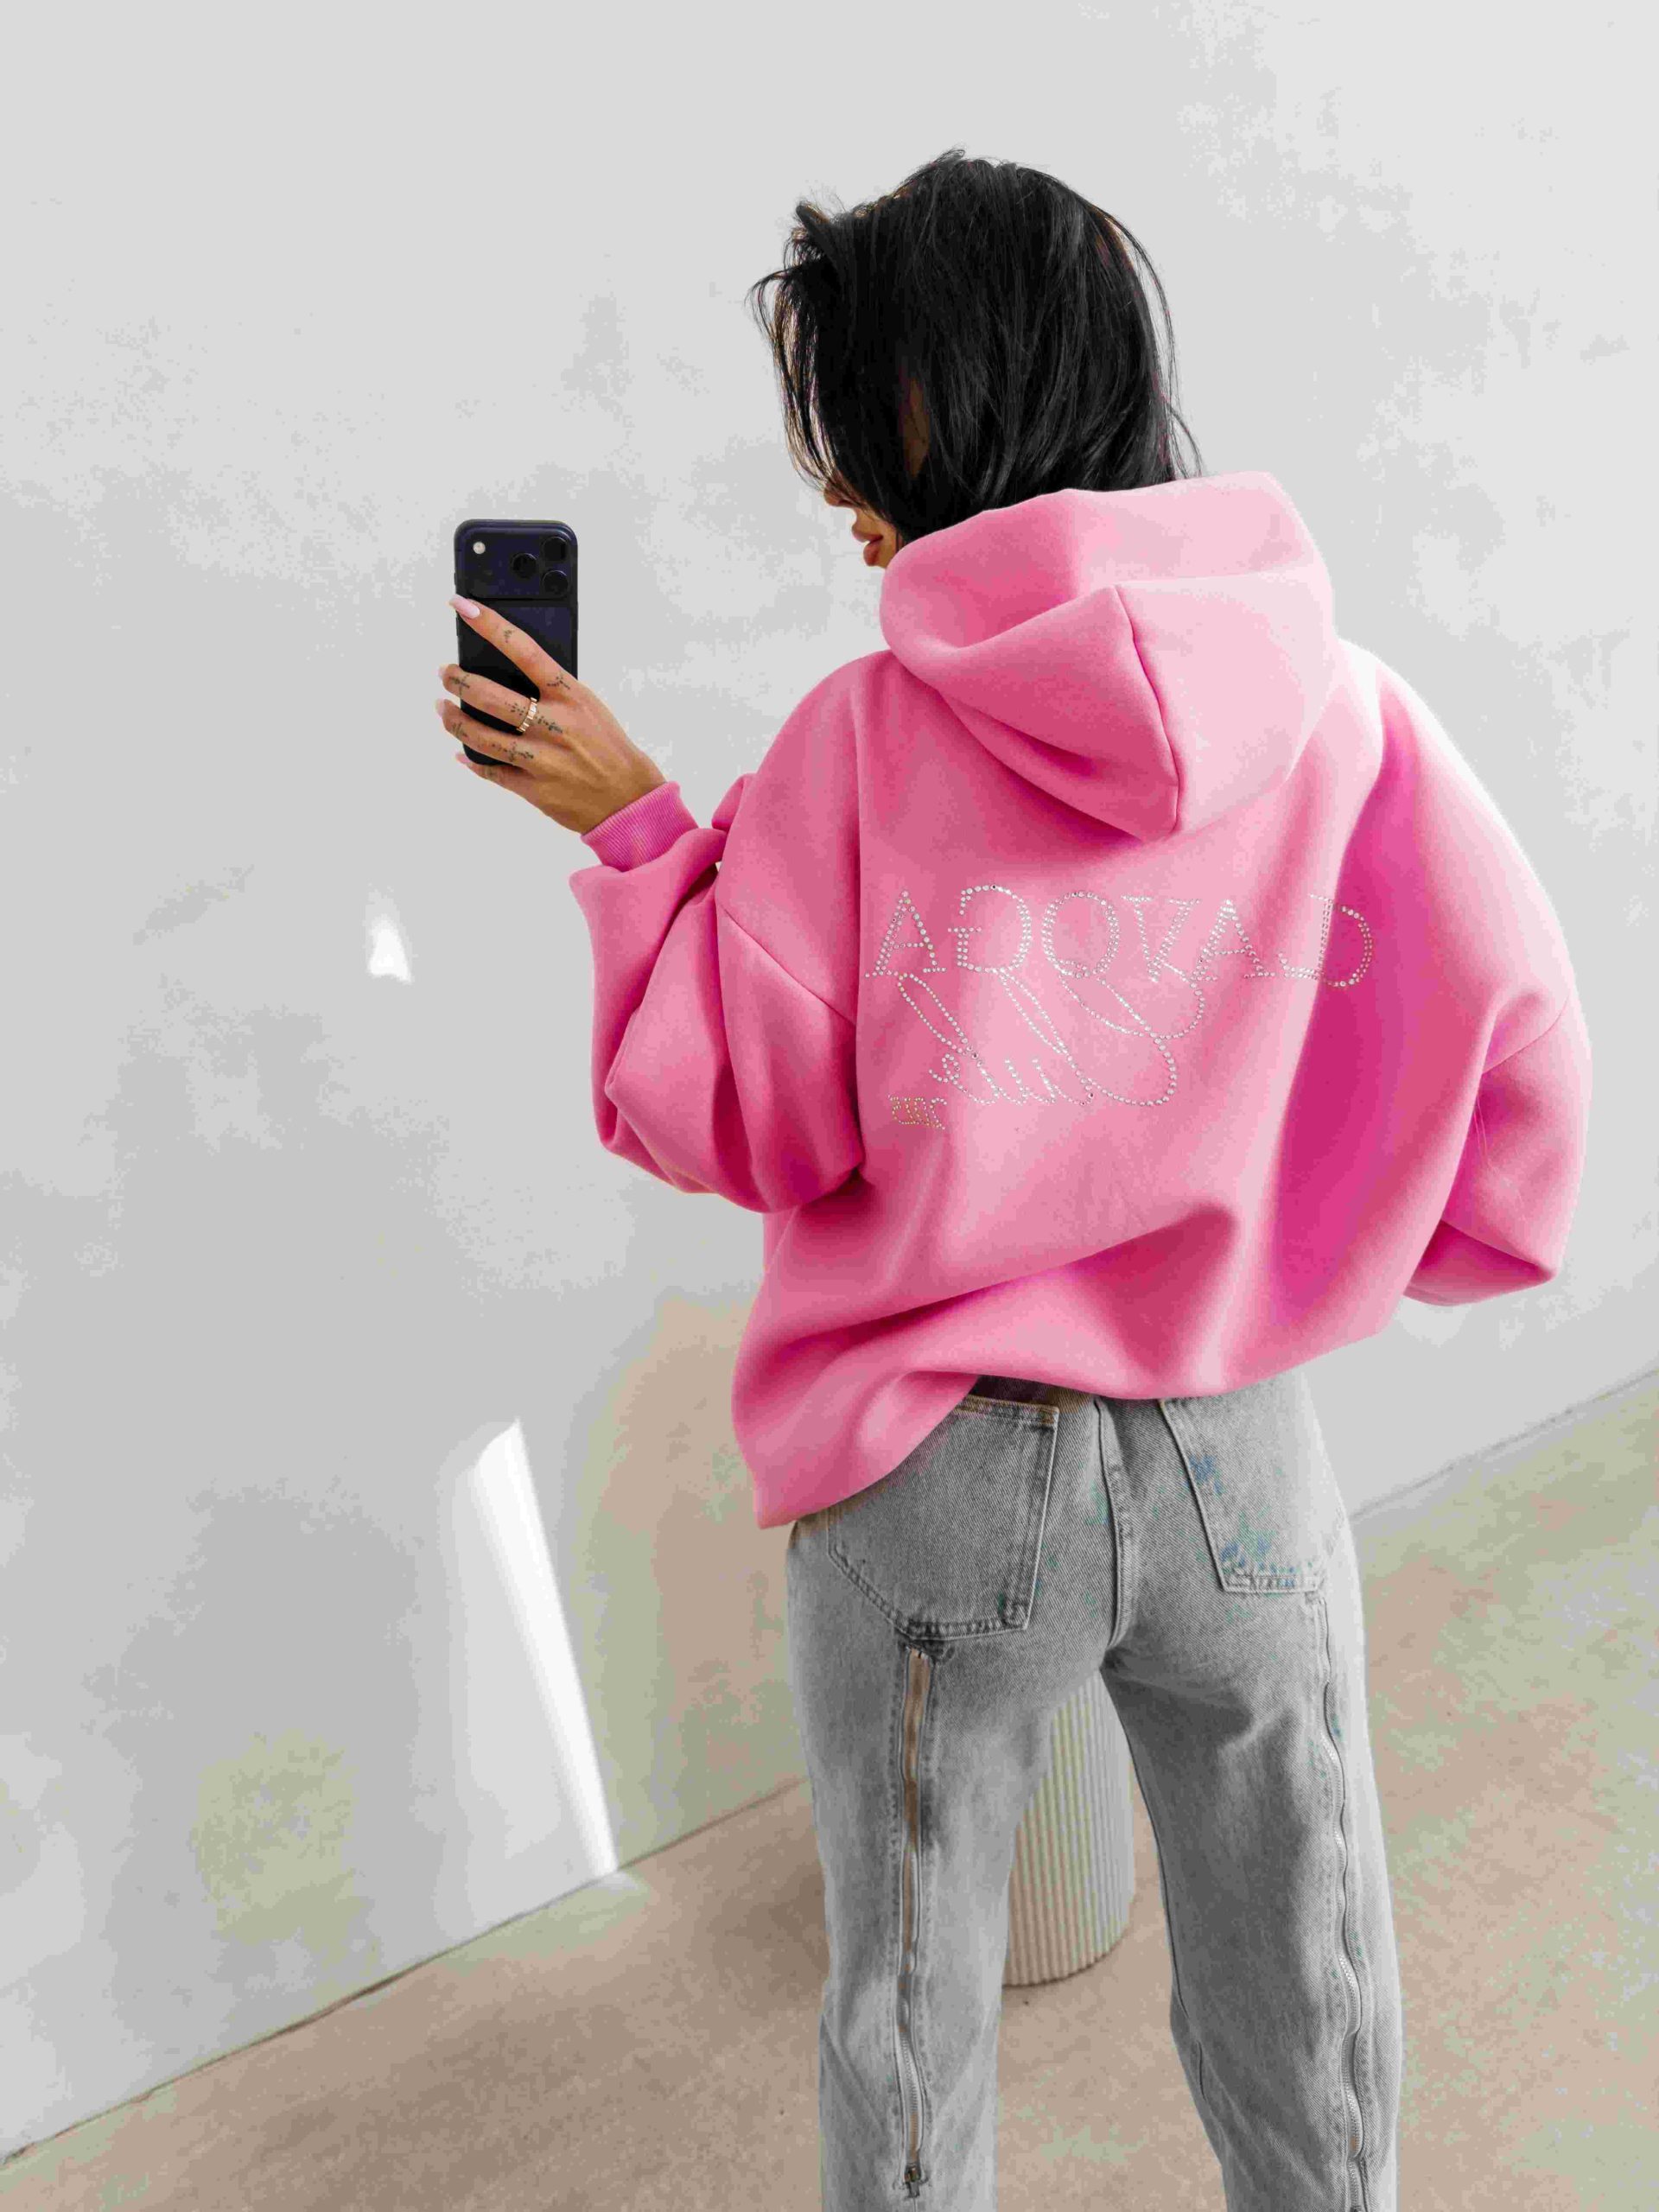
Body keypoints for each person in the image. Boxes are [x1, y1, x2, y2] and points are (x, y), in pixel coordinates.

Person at [439, 147, 1591, 2212]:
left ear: (937, 407)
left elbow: (745, 1112)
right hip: (1241, 1454)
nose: (834, 491)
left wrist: (640, 836)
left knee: (909, 2014)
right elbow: (1516, 1035)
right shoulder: (1344, 709)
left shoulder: (857, 743)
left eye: (849, 427)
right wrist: (1377, 1233)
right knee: (1308, 1961)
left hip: (941, 1471)